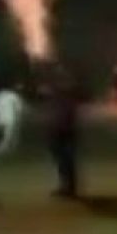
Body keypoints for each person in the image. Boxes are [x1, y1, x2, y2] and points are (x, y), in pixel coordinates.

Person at [42, 64, 83, 199]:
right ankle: (67, 186)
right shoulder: (58, 92)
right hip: (59, 128)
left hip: (64, 128)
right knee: (62, 159)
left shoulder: (65, 92)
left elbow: (66, 111)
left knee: (66, 159)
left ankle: (69, 187)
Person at [0, 79, 26, 157]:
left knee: (6, 136)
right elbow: (19, 110)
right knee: (8, 138)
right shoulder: (13, 96)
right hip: (9, 120)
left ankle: (9, 150)